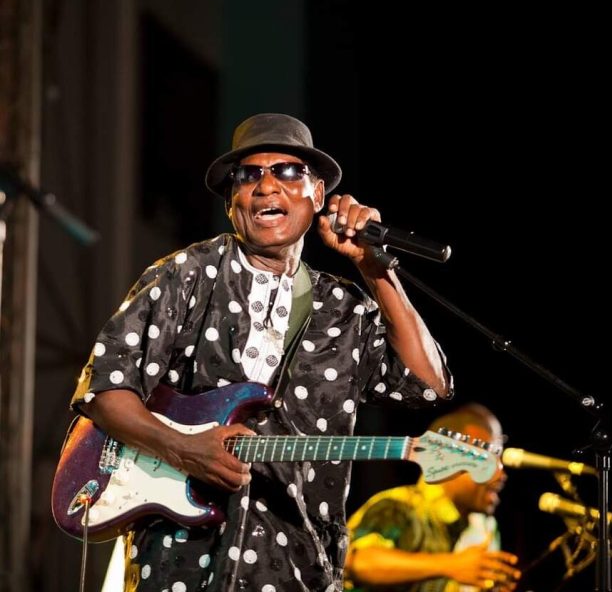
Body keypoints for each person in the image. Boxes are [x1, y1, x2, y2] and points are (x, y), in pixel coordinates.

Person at [68, 112, 453, 591]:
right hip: (181, 561)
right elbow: (104, 389)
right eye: (248, 175)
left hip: (300, 565)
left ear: (318, 195)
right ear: (232, 202)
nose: (267, 186)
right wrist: (183, 448)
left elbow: (427, 385)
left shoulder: (344, 307)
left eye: (288, 171)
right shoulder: (188, 273)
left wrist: (376, 269)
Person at [344, 403, 521, 592]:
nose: (500, 474)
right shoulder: (400, 506)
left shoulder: (483, 527)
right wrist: (452, 565)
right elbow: (357, 563)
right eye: (488, 459)